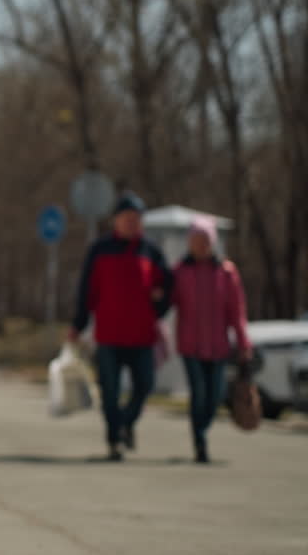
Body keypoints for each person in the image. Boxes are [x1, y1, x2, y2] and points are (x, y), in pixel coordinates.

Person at [69, 192, 173, 461]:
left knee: (144, 385)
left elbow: (168, 287)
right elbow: (86, 291)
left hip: (142, 335)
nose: (132, 223)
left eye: (137, 219)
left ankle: (127, 422)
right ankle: (114, 439)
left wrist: (159, 305)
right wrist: (78, 324)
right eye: (127, 218)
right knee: (110, 391)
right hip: (109, 335)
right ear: (116, 220)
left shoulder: (151, 251)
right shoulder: (100, 250)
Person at [173, 217, 251, 464]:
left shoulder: (226, 273)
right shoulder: (180, 271)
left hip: (218, 345)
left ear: (212, 242)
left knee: (215, 395)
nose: (200, 245)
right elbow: (165, 302)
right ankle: (199, 440)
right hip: (190, 345)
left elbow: (237, 313)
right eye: (196, 240)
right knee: (198, 392)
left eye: (205, 240)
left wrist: (244, 344)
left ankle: (202, 429)